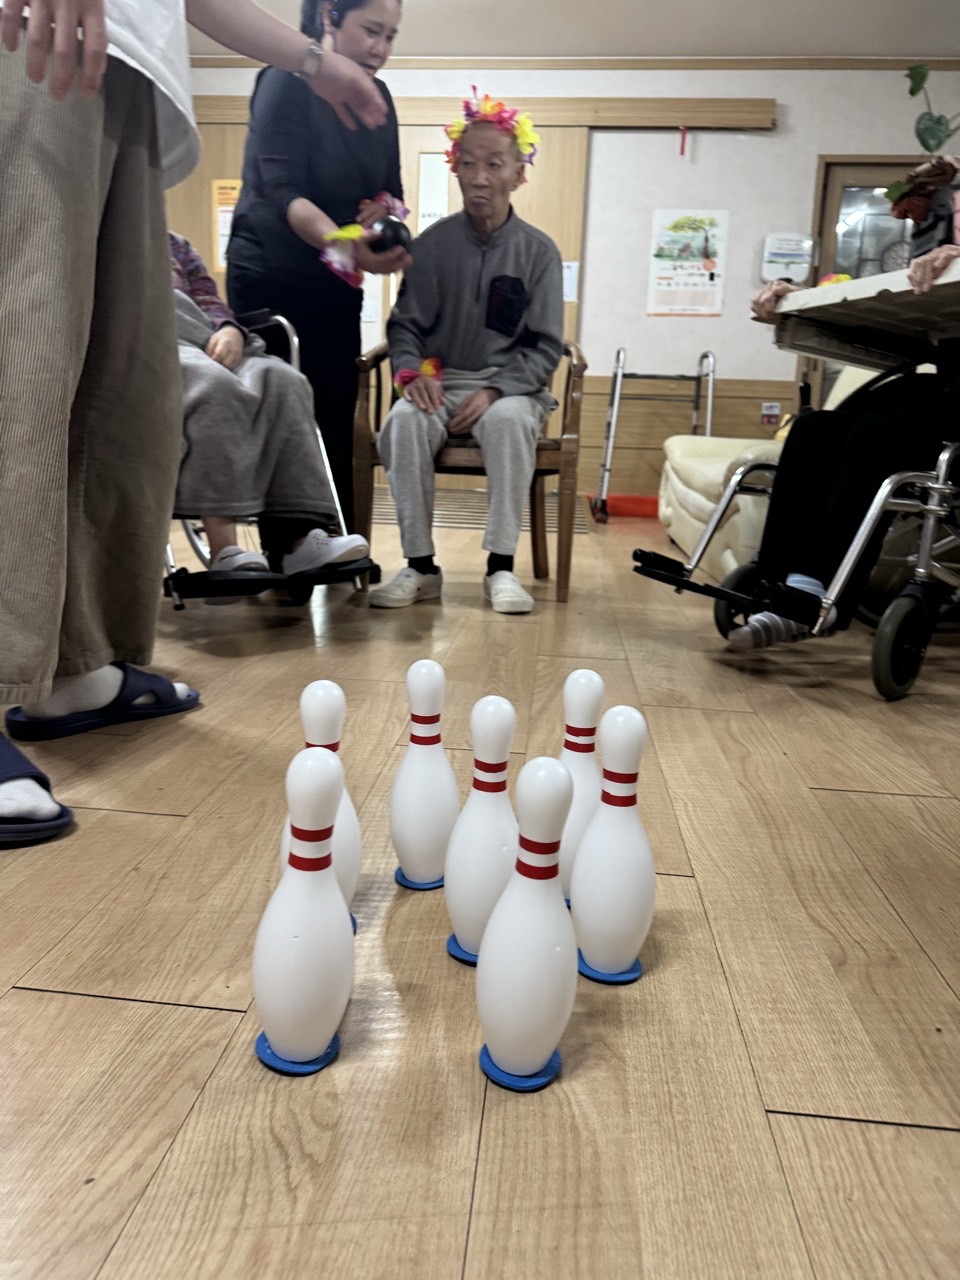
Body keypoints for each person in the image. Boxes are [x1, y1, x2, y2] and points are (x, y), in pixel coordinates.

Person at [0, 0, 389, 847]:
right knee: (21, 369)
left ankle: (72, 667)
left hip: (133, 79)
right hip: (38, 37)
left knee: (116, 404)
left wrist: (315, 63)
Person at [369, 92, 564, 615]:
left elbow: (545, 345)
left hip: (511, 388)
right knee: (402, 424)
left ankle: (501, 567)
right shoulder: (431, 246)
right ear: (455, 168)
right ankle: (420, 566)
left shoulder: (539, 252)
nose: (479, 178)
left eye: (494, 165)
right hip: (441, 381)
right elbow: (405, 326)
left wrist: (497, 389)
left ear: (519, 174)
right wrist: (410, 373)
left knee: (506, 421)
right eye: (469, 164)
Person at [226, 0, 410, 535]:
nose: (381, 48)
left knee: (334, 410)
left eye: (391, 36)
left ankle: (338, 543)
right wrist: (343, 244)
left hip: (336, 281)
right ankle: (291, 557)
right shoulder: (283, 81)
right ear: (330, 16)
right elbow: (283, 193)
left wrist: (383, 213)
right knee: (286, 413)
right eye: (371, 30)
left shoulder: (380, 99)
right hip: (270, 275)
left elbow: (392, 192)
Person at [727, 242, 960, 650]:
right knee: (813, 429)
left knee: (877, 435)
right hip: (946, 379)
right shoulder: (938, 235)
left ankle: (820, 593)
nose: (896, 215)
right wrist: (802, 302)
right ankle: (779, 581)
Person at [170, 232, 368, 581]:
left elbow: (208, 300)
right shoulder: (104, 237)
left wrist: (230, 329)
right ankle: (224, 550)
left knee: (285, 381)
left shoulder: (178, 245)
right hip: (158, 344)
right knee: (214, 386)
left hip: (205, 338)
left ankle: (299, 541)